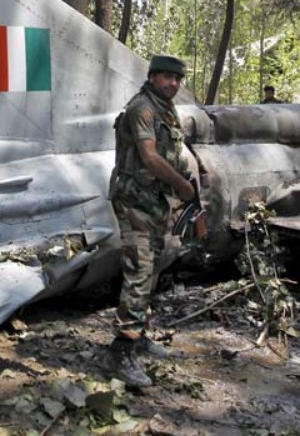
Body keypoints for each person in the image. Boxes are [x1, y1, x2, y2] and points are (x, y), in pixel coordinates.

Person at [108, 55, 195, 387]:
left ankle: (139, 334)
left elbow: (170, 151)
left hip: (153, 199)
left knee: (151, 268)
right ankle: (122, 352)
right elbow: (150, 156)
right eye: (167, 77)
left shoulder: (164, 107)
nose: (173, 83)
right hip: (135, 199)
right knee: (140, 270)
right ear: (153, 76)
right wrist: (181, 184)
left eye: (177, 79)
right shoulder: (143, 108)